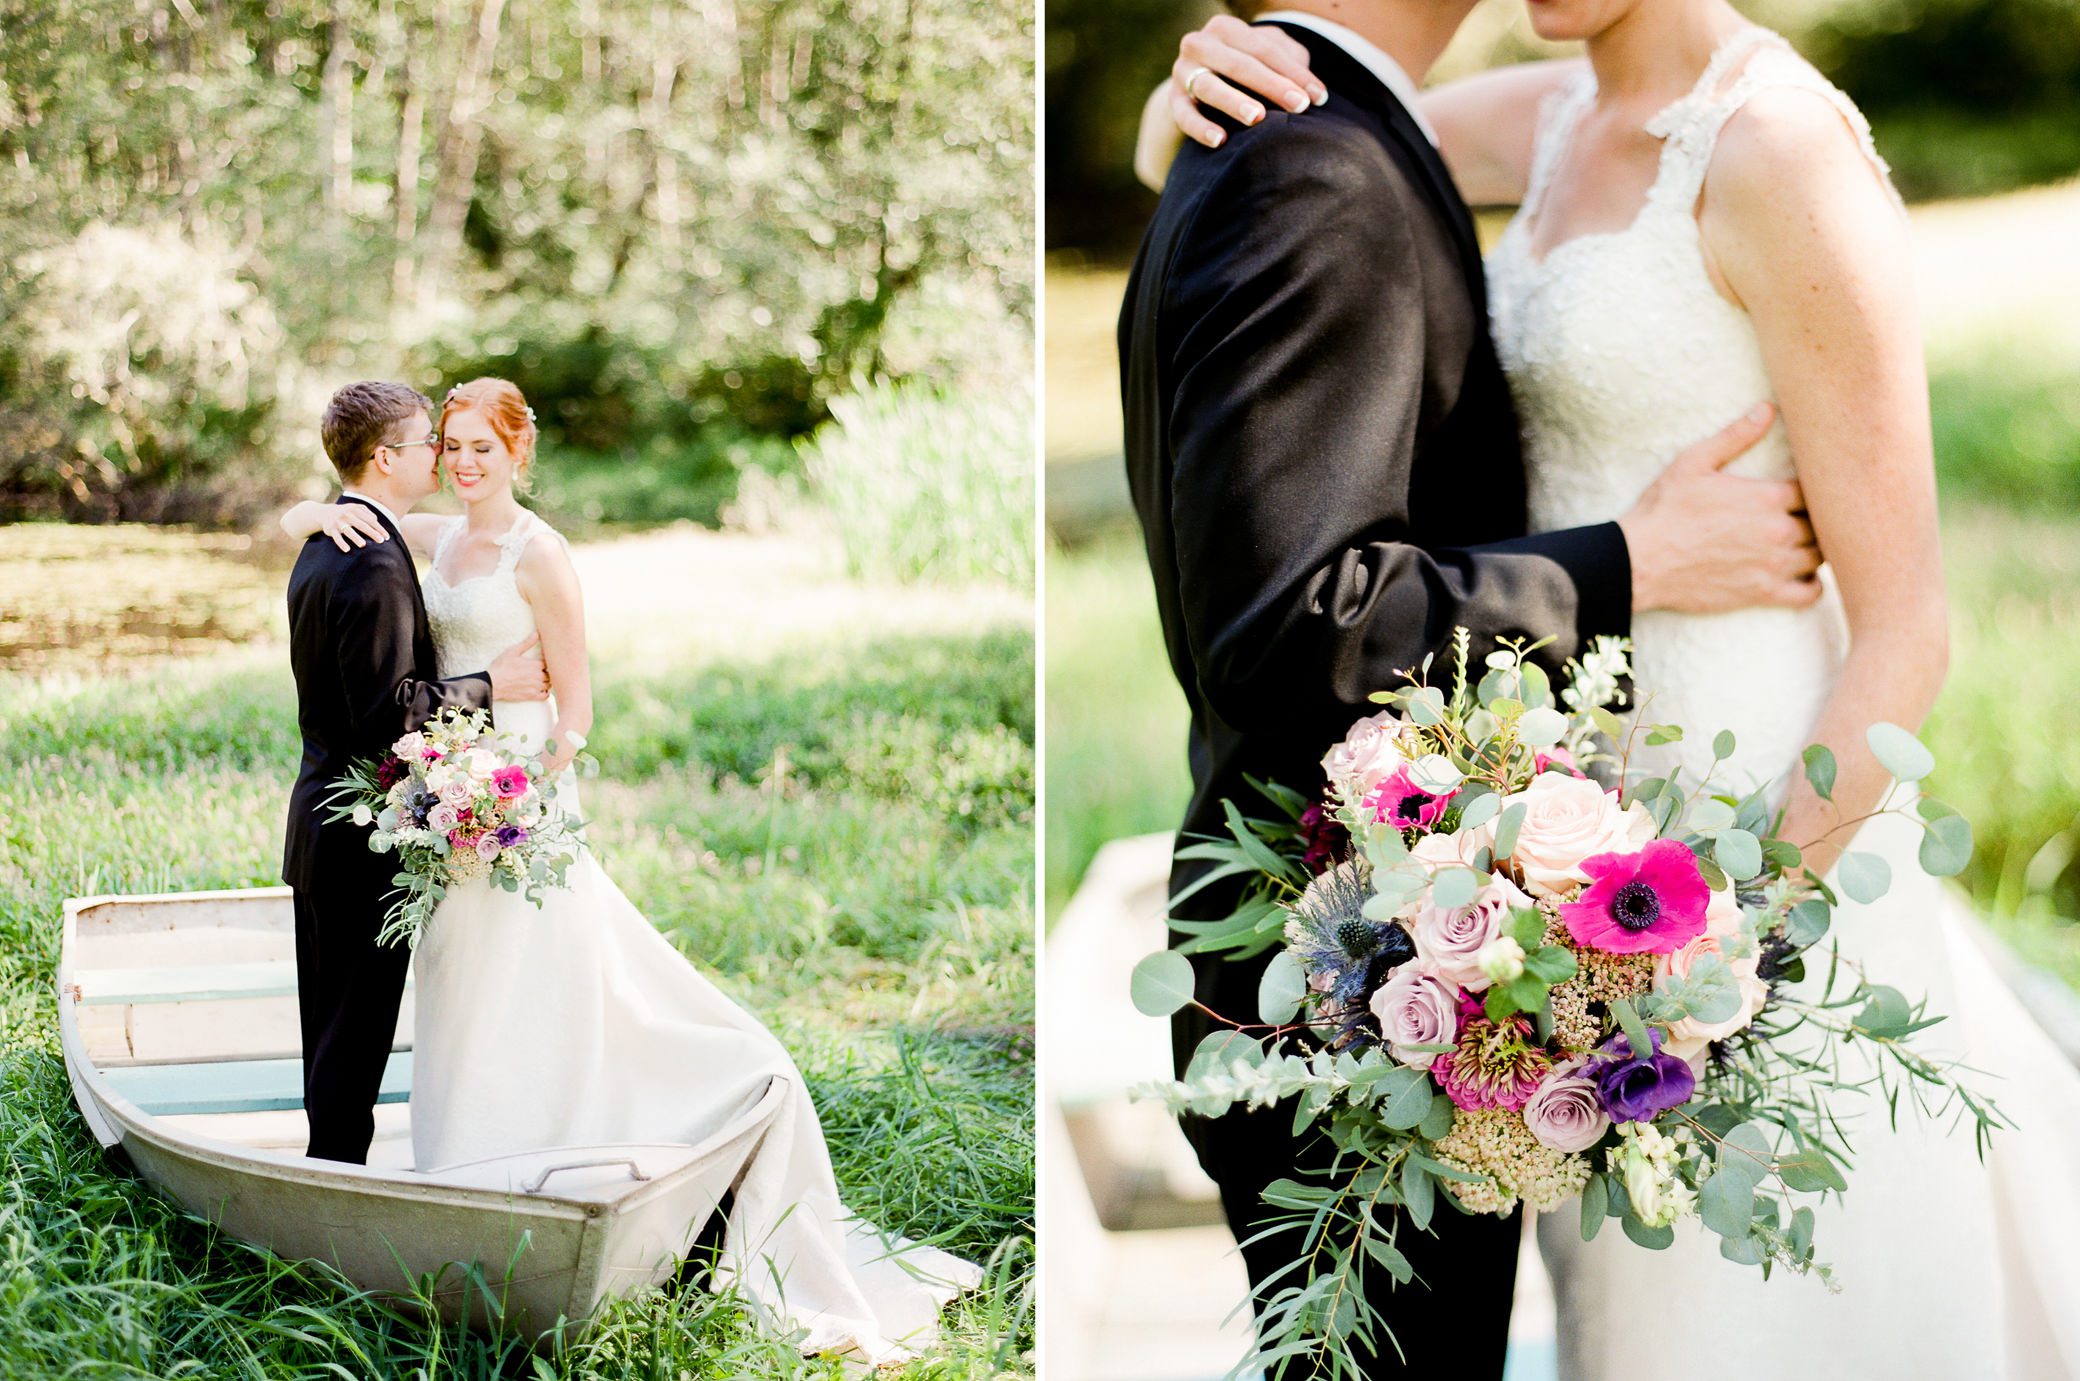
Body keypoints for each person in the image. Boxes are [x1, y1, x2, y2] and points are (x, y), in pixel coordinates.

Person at [1134, 1, 2080, 1377]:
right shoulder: (1547, 117)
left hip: (1742, 867)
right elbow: (1280, 146)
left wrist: (1723, 954)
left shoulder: (1781, 152)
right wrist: (1192, 81)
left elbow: (1908, 639)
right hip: (1547, 894)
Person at [280, 378, 979, 1363]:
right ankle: (466, 1171)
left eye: (484, 446)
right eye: (452, 443)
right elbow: (360, 513)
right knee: (461, 988)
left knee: (543, 975)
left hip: (509, 806)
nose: (465, 461)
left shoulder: (542, 554)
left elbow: (574, 717)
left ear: (520, 453)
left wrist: (508, 801)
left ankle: (593, 1138)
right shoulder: (431, 540)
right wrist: (310, 507)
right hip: (443, 806)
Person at [283, 380, 548, 1166]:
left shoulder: (334, 537)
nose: (439, 452)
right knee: (350, 1040)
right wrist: (492, 687)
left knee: (336, 1034)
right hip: (355, 837)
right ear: (384, 457)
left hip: (323, 824)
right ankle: (332, 1196)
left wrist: (303, 509)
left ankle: (330, 1177)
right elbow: (388, 714)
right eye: (427, 442)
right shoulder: (370, 562)